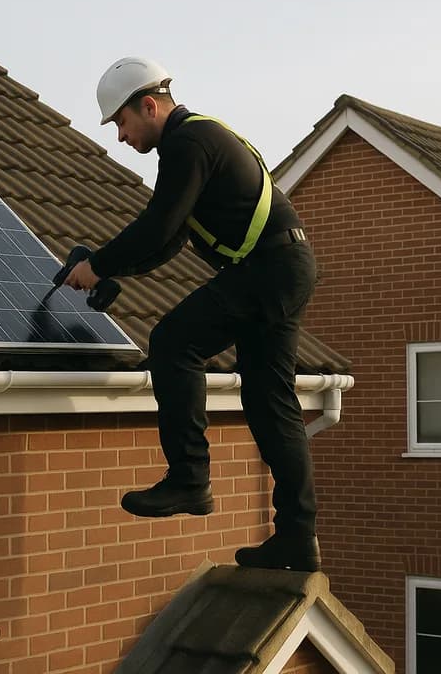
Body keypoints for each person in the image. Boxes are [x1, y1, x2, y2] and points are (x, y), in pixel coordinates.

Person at [63, 56, 321, 571]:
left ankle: (189, 479)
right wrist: (110, 269)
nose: (120, 137)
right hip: (281, 268)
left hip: (267, 269)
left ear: (149, 105)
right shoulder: (198, 142)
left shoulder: (187, 143)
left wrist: (99, 263)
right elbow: (170, 241)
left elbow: (158, 226)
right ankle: (297, 536)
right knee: (271, 405)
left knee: (174, 343)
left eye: (121, 122)